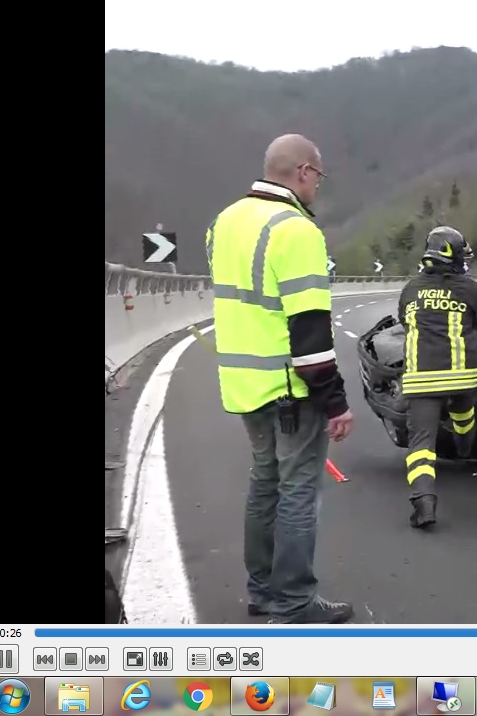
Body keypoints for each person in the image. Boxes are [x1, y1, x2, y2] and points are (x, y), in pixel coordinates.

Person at [206, 133, 354, 624]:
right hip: (291, 390)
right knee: (297, 493)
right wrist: (335, 401)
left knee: (264, 484)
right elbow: (309, 330)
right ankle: (293, 603)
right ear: (305, 172)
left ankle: (262, 592)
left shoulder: (223, 223)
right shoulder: (296, 230)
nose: (319, 187)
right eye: (319, 177)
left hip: (244, 385)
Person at [396, 225, 477, 528]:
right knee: (464, 412)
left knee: (421, 444)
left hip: (422, 378)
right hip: (465, 374)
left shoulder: (411, 289)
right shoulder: (470, 289)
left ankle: (423, 502)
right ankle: (464, 448)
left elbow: (404, 320)